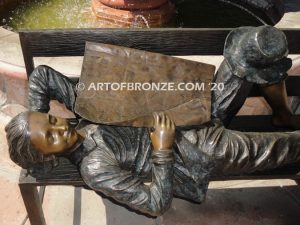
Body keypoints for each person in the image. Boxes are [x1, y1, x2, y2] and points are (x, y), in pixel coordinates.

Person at [5, 25, 300, 216]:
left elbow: (42, 75)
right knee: (288, 148)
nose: (60, 129)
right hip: (197, 149)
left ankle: (282, 114)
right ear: (48, 157)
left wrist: (36, 116)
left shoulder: (82, 111)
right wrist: (162, 149)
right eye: (51, 138)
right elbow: (155, 205)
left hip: (198, 107)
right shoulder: (95, 167)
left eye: (51, 122)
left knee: (251, 47)